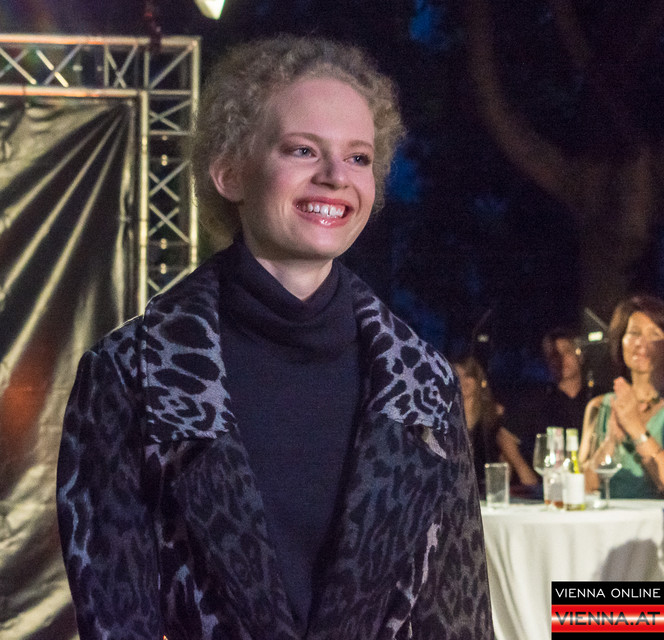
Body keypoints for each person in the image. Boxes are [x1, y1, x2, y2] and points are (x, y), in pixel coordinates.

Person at [57, 35, 493, 639]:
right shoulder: (127, 373)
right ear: (230, 172)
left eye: (359, 157)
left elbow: (459, 621)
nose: (335, 176)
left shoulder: (424, 384)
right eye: (302, 150)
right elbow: (115, 620)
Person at [580, 295, 664, 498]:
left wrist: (636, 429)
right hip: (608, 517)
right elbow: (582, 488)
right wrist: (609, 442)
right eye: (634, 333)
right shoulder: (599, 406)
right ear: (620, 341)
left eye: (653, 334)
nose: (640, 343)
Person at [504, 327, 588, 467]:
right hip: (551, 477)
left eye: (566, 351)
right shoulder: (539, 400)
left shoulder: (596, 398)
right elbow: (505, 436)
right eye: (554, 355)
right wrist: (527, 475)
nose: (561, 358)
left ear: (580, 355)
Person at [452, 356, 539, 491]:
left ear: (478, 379)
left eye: (468, 375)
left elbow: (506, 466)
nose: (462, 381)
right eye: (457, 376)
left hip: (488, 491)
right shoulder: (446, 420)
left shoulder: (495, 419)